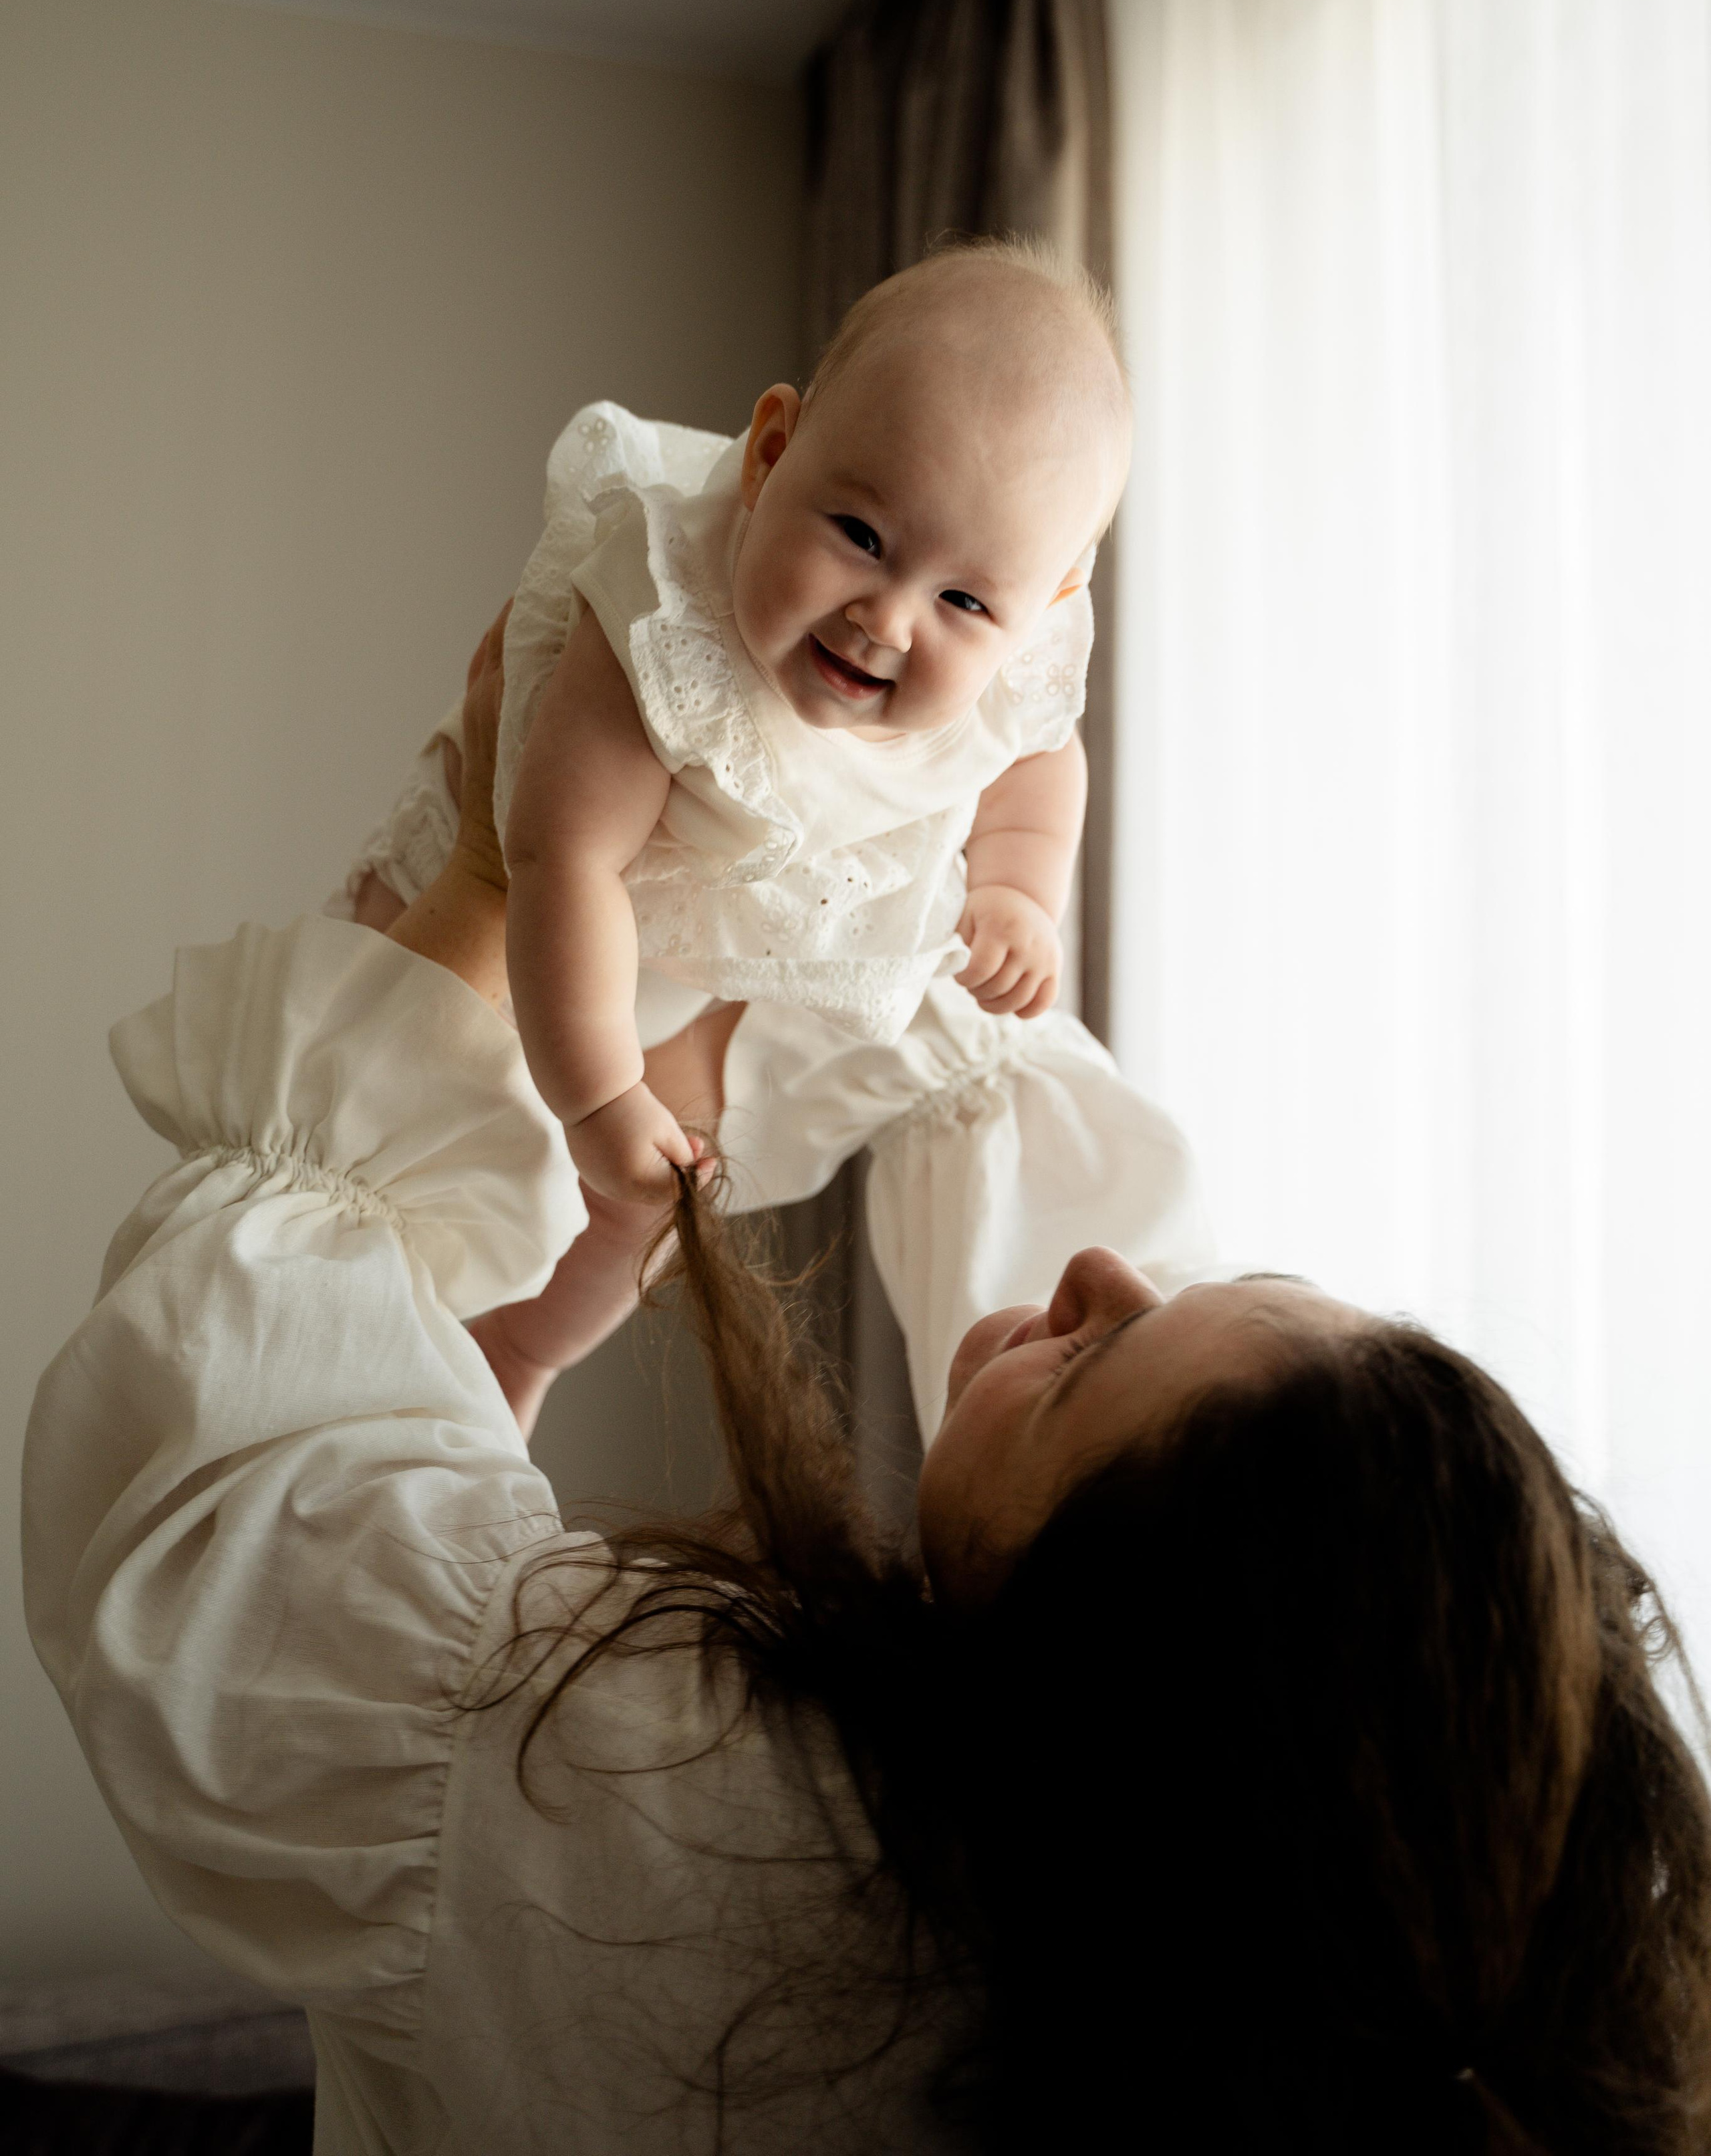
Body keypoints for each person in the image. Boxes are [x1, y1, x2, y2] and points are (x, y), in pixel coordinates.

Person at [26, 625, 1711, 2156]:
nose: (1101, 1272)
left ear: (1092, 1683)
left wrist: (490, 872)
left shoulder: (680, 1838)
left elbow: (235, 1517)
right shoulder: (1280, 1929)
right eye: (1210, 1287)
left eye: (1094, 1353)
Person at [332, 239, 1212, 1440]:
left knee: (664, 1185)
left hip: (686, 947)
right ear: (770, 452)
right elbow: (559, 859)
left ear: (1043, 605)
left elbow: (1040, 754)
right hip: (498, 890)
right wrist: (597, 1098)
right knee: (392, 1144)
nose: (888, 618)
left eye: (963, 602)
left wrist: (1017, 889)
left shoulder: (1014, 658)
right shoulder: (662, 616)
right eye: (860, 533)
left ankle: (520, 1354)